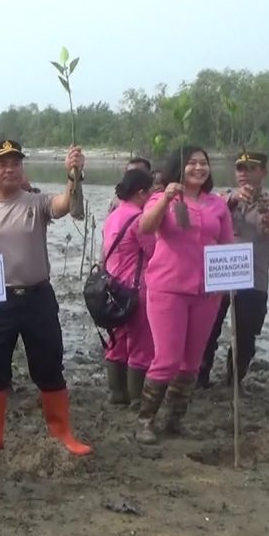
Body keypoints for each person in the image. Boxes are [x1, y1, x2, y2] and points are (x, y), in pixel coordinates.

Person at [0, 140, 92, 458]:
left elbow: (64, 204)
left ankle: (62, 433)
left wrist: (74, 174)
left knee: (49, 366)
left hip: (37, 298)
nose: (10, 169)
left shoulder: (36, 203)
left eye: (16, 163)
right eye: (3, 164)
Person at [135, 146, 234, 444]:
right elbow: (144, 228)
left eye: (203, 163)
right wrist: (166, 198)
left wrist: (234, 277)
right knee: (167, 358)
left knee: (192, 361)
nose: (198, 168)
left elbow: (228, 244)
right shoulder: (160, 198)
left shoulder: (217, 204)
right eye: (191, 163)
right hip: (168, 289)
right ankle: (145, 421)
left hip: (207, 291)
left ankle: (175, 420)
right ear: (179, 168)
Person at [199, 151, 269, 389]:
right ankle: (200, 376)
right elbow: (204, 213)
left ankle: (234, 379)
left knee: (246, 335)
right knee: (208, 330)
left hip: (254, 279)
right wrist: (233, 200)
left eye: (251, 168)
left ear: (263, 172)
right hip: (221, 277)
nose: (244, 174)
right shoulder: (222, 200)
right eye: (240, 169)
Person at [100, 169, 157, 405]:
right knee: (141, 344)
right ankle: (136, 398)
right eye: (151, 191)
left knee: (116, 341)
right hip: (137, 289)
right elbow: (154, 252)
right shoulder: (139, 219)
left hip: (113, 289)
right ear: (141, 193)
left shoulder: (113, 215)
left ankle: (117, 393)